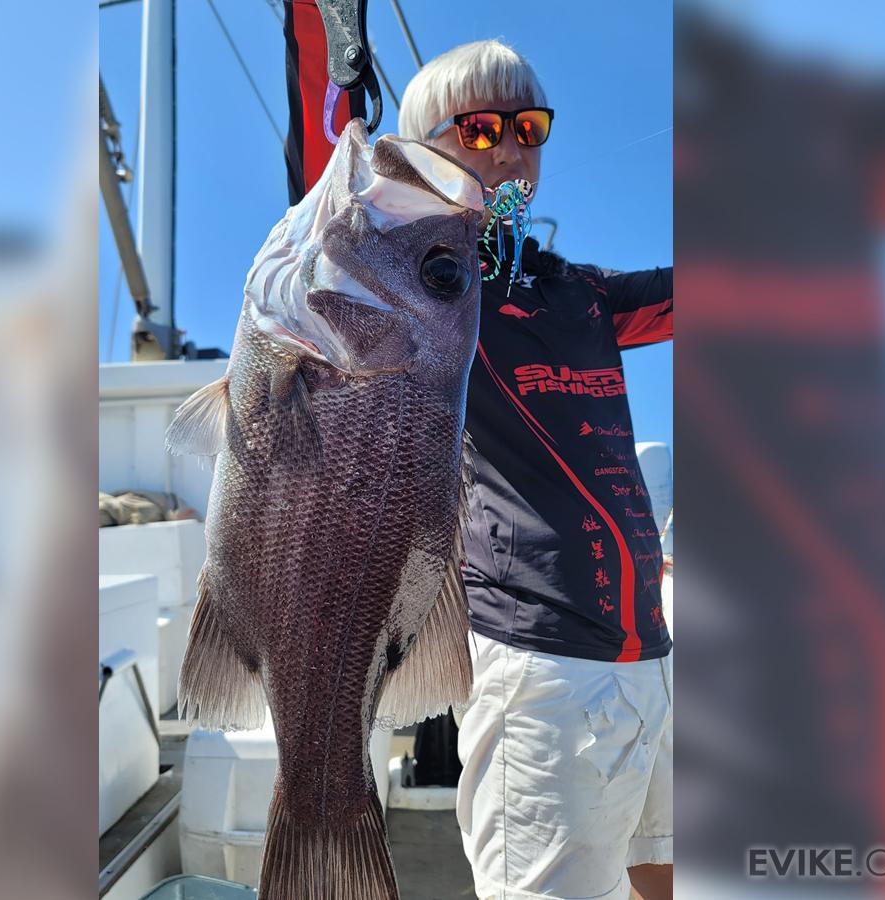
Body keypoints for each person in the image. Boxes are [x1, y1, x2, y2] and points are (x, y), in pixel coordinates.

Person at [398, 40, 673, 900]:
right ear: (422, 153)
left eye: (529, 128)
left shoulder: (579, 293)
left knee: (664, 873)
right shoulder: (422, 290)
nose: (511, 148)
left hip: (649, 654)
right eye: (479, 129)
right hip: (539, 670)